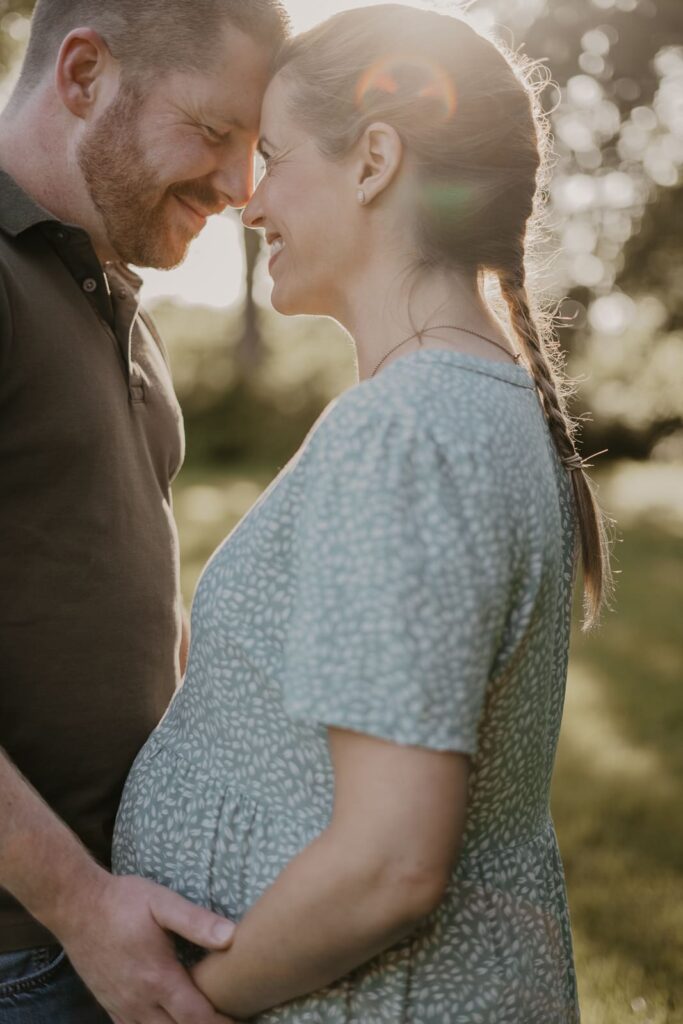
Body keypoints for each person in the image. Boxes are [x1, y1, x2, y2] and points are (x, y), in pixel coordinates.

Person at [113, 5, 614, 1022]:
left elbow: (388, 863)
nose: (249, 203)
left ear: (374, 160)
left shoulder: (407, 432)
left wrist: (188, 1002)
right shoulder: (468, 404)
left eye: (276, 155)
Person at [0, 1, 290, 1022]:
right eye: (215, 133)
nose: (240, 187)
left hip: (117, 920)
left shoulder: (110, 290)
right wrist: (80, 908)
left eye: (256, 150)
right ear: (83, 75)